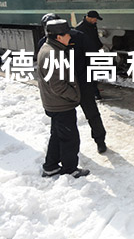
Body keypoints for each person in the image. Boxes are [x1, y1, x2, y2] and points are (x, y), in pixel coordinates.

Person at [39, 13, 108, 154]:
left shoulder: (77, 36)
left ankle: (100, 140)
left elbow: (93, 56)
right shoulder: (45, 44)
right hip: (63, 88)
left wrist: (90, 80)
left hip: (81, 84)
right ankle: (64, 147)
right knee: (62, 121)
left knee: (91, 114)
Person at [37, 19, 89, 178]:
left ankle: (50, 166)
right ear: (59, 37)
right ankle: (70, 169)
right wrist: (75, 97)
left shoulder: (49, 48)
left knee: (58, 135)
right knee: (69, 139)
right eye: (67, 34)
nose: (70, 37)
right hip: (61, 104)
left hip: (54, 103)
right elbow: (58, 85)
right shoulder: (53, 54)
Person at [76, 11, 104, 99]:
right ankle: (94, 93)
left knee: (93, 74)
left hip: (93, 53)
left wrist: (99, 45)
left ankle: (95, 92)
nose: (96, 21)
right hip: (86, 55)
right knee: (89, 75)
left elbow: (95, 38)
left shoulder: (92, 26)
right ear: (89, 18)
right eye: (95, 19)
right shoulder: (80, 28)